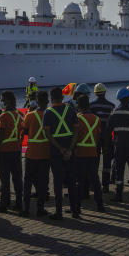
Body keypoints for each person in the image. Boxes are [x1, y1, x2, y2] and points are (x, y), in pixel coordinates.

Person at [43, 87, 79, 219]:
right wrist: (70, 149)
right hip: (70, 152)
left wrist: (60, 149)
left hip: (55, 152)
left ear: (51, 98)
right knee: (71, 182)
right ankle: (75, 210)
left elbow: (48, 134)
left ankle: (58, 212)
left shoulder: (48, 113)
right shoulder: (71, 110)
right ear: (62, 97)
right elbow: (76, 131)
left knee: (57, 183)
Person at [20, 90, 50, 217]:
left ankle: (26, 209)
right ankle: (40, 208)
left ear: (36, 101)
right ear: (47, 101)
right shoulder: (50, 114)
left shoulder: (29, 115)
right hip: (45, 153)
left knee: (27, 182)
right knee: (43, 182)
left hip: (31, 153)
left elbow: (25, 132)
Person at [74, 93, 104, 212]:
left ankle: (76, 207)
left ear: (78, 105)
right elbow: (97, 136)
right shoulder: (96, 119)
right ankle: (100, 205)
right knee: (95, 180)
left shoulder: (77, 118)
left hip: (80, 153)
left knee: (79, 181)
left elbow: (75, 136)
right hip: (93, 152)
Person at [0, 91, 23, 213]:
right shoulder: (18, 114)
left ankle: (4, 203)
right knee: (17, 178)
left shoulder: (3, 116)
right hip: (16, 150)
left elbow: (1, 135)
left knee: (5, 179)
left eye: (3, 100)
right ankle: (19, 202)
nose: (2, 102)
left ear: (7, 100)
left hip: (4, 151)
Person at [89, 83, 115, 192]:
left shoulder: (91, 106)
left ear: (95, 93)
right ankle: (106, 186)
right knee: (107, 162)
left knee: (94, 162)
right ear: (105, 92)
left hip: (95, 137)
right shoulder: (111, 106)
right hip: (108, 137)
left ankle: (95, 185)